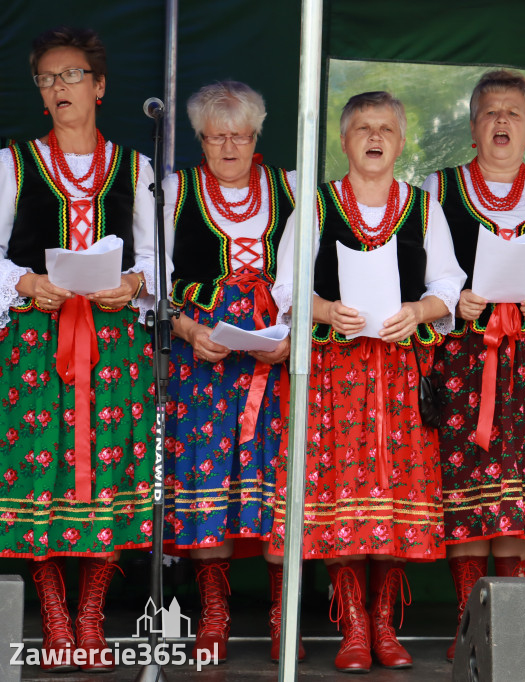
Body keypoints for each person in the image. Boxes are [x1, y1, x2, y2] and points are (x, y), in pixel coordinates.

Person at [270, 91, 465, 674]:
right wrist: (326, 311)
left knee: (395, 495)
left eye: (385, 128)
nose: (374, 137)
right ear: (344, 140)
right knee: (341, 496)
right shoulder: (316, 205)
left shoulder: (424, 208)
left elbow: (449, 283)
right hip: (337, 374)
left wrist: (421, 312)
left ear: (401, 142)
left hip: (401, 374)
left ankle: (385, 624)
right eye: (361, 128)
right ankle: (354, 625)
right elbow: (286, 288)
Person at [0, 27, 155, 673]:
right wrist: (26, 282)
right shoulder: (12, 164)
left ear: (98, 86)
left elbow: (155, 255)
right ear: (39, 94)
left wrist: (134, 283)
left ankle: (91, 616)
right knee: (43, 470)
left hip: (114, 345)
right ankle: (54, 617)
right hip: (38, 344)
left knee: (109, 473)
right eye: (47, 78)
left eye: (70, 76)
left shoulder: (137, 167)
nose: (58, 87)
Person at [421, 68, 525, 661]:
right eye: (490, 112)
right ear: (472, 127)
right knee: (465, 485)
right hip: (465, 360)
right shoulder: (438, 191)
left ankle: (514, 626)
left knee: (524, 490)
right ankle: (470, 625)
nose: (502, 122)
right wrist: (452, 299)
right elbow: (422, 273)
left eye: (514, 112)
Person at [162, 80, 295, 664]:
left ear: (256, 136)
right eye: (217, 137)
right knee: (205, 474)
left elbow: (312, 273)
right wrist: (189, 330)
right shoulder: (174, 191)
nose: (229, 147)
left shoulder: (290, 188)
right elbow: (152, 277)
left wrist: (292, 338)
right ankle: (213, 613)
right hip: (204, 363)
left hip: (275, 361)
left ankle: (280, 614)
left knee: (278, 482)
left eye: (239, 135)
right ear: (201, 140)